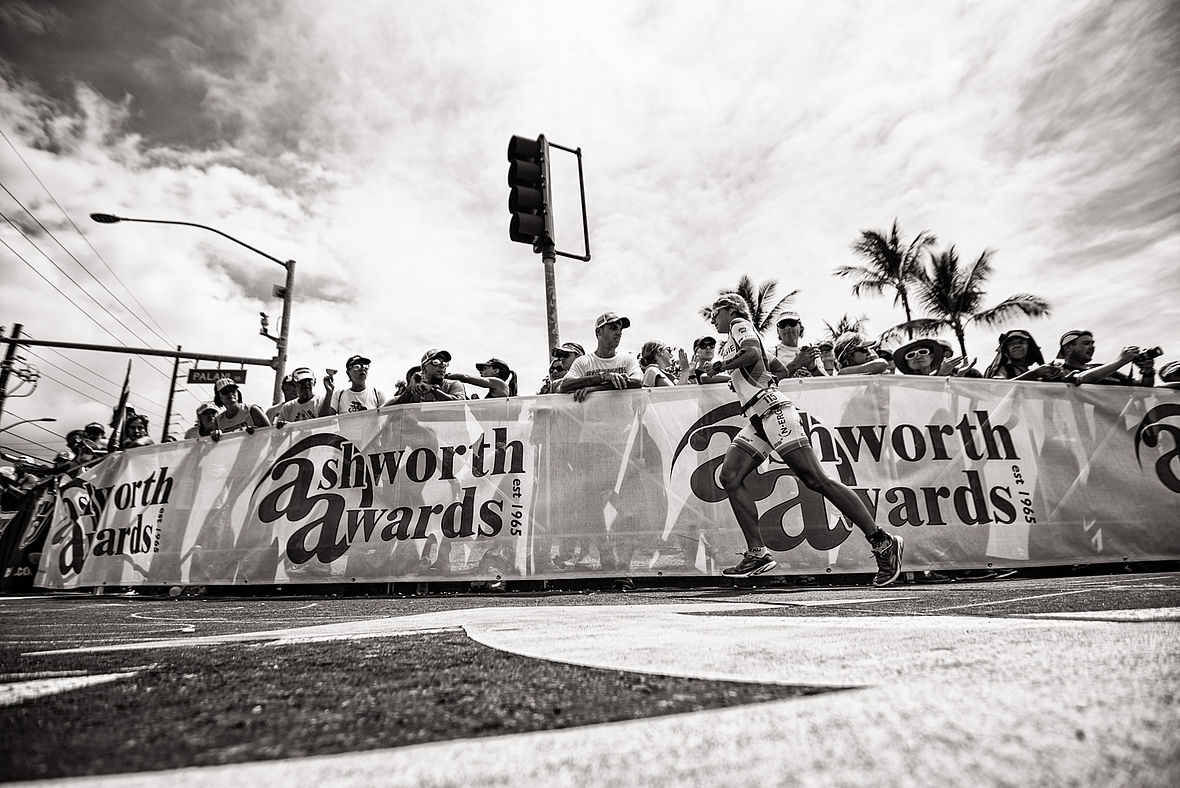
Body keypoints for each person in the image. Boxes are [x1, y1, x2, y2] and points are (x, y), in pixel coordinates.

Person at [705, 294, 904, 586]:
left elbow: (749, 354)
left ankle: (882, 540)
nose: (713, 319)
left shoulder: (739, 323)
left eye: (715, 312)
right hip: (760, 418)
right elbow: (780, 369)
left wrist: (721, 367)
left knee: (815, 480)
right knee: (730, 476)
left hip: (774, 411)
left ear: (731, 309)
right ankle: (758, 553)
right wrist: (759, 378)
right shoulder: (745, 336)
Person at [556, 312, 643, 400]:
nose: (619, 333)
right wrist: (603, 377)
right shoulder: (583, 362)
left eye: (620, 329)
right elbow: (565, 385)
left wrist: (596, 389)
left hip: (623, 414)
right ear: (598, 331)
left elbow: (637, 381)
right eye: (613, 328)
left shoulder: (628, 359)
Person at [386, 350, 466, 405]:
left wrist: (432, 390)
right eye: (436, 362)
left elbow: (459, 404)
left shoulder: (454, 385)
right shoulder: (416, 391)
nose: (442, 366)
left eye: (445, 363)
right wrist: (409, 389)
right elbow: (390, 411)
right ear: (424, 369)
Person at [771, 312, 825, 378]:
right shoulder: (771, 354)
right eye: (782, 325)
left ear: (800, 327)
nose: (788, 328)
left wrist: (813, 369)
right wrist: (795, 364)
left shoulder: (811, 354)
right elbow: (767, 383)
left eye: (792, 323)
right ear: (778, 331)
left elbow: (828, 384)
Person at [447, 357, 516, 398]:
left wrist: (446, 376)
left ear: (496, 371)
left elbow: (465, 377)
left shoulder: (499, 383)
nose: (480, 372)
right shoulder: (502, 389)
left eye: (485, 368)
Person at [894, 337, 966, 376]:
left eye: (923, 352)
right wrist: (941, 375)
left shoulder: (943, 378)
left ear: (931, 357)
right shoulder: (903, 383)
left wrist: (960, 377)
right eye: (910, 355)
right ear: (907, 364)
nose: (918, 356)